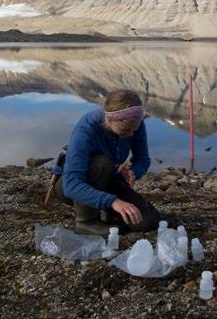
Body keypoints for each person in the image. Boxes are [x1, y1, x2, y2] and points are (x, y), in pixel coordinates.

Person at [53, 89, 161, 235]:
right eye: (125, 130)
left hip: (109, 179)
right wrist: (113, 202)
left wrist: (134, 173)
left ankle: (105, 211)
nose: (130, 134)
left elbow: (142, 159)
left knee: (147, 221)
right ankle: (86, 222)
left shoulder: (135, 123)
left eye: (134, 130)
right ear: (110, 119)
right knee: (102, 162)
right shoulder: (86, 130)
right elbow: (71, 186)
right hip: (71, 187)